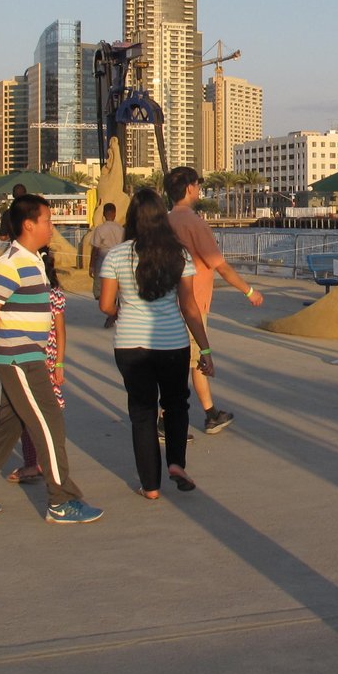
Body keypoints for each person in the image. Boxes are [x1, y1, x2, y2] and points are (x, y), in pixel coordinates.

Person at [0, 194, 103, 525]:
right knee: (49, 421)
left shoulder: (33, 260)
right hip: (18, 357)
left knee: (9, 425)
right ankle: (61, 500)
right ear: (28, 224)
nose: (52, 226)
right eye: (48, 220)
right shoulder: (9, 264)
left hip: (28, 355)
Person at [99, 188, 214, 498]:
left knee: (142, 413)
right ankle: (176, 462)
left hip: (130, 345)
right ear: (162, 218)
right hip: (172, 343)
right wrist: (204, 350)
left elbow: (106, 305)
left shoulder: (117, 254)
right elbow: (190, 308)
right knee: (176, 405)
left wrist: (121, 310)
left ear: (132, 219)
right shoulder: (179, 255)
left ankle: (150, 486)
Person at [165, 166, 264, 435]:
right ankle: (166, 421)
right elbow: (221, 266)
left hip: (166, 300)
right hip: (192, 302)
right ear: (189, 188)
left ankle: (210, 413)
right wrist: (249, 291)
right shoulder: (195, 223)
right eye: (197, 185)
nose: (199, 189)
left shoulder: (165, 221)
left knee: (190, 361)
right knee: (190, 361)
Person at [89, 202, 125, 326]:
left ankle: (112, 312)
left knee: (101, 290)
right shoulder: (121, 229)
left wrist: (91, 265)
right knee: (118, 289)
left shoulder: (100, 229)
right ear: (114, 214)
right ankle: (115, 309)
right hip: (120, 260)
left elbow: (95, 249)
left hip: (104, 260)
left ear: (104, 214)